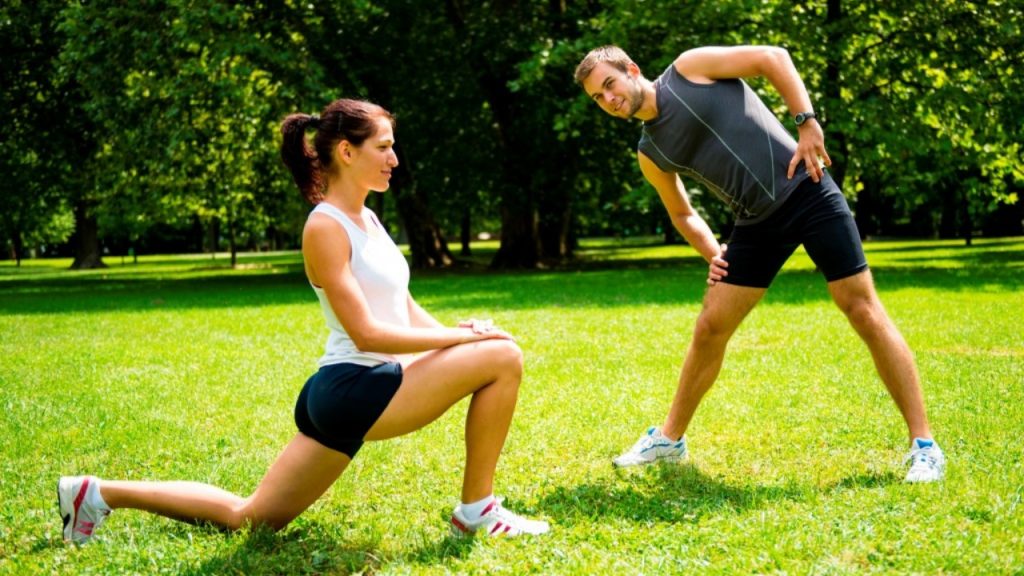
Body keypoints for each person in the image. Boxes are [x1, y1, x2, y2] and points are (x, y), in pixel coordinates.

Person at [57, 98, 550, 545]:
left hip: (348, 393)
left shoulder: (369, 219)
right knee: (503, 357)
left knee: (250, 517)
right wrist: (469, 341)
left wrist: (461, 332)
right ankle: (477, 511)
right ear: (346, 151)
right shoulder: (325, 226)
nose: (394, 159)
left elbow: (400, 308)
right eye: (384, 147)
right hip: (358, 386)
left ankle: (96, 493)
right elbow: (368, 334)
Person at [574, 45, 945, 482]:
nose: (609, 99)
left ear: (632, 70)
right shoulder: (650, 152)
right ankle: (669, 440)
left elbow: (774, 57)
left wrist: (807, 123)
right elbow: (682, 213)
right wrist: (714, 254)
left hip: (807, 189)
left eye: (610, 84)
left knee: (861, 307)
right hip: (755, 223)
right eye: (598, 98)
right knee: (710, 326)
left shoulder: (689, 69)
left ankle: (924, 446)